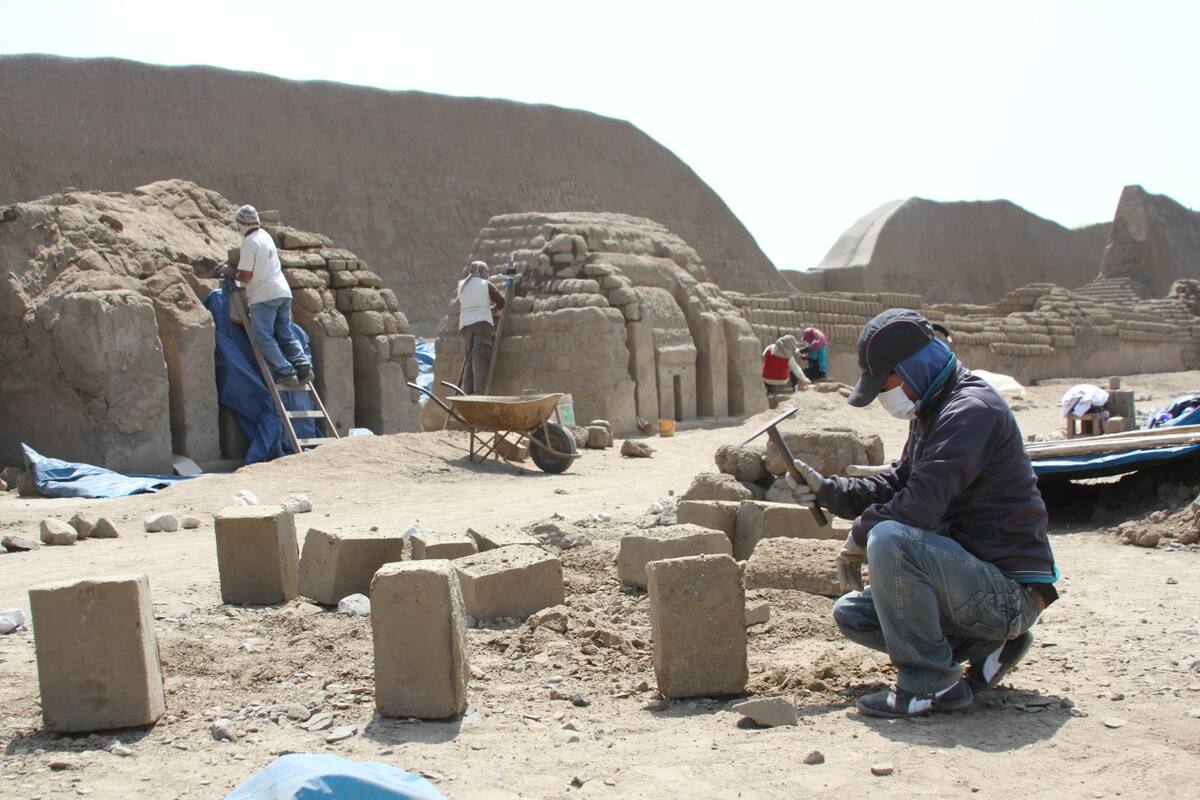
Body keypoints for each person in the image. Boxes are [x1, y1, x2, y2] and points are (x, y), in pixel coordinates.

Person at [786, 309, 1058, 718]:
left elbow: (920, 505)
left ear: (912, 368)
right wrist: (829, 491)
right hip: (972, 584)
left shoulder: (971, 410)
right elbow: (898, 482)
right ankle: (988, 646)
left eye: (886, 383)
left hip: (1008, 593)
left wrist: (859, 535)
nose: (884, 396)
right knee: (855, 615)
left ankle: (930, 685)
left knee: (891, 539)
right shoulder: (933, 408)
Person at [226, 205, 312, 387]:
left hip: (264, 296)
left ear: (241, 224)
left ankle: (285, 370)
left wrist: (232, 273)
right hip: (283, 291)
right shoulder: (266, 236)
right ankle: (303, 365)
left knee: (261, 335)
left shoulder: (249, 242)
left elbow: (246, 275)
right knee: (285, 332)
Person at [453, 260, 506, 394]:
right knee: (480, 358)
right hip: (482, 323)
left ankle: (467, 391)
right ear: (482, 272)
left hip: (465, 326)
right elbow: (501, 302)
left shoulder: (461, 285)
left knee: (469, 359)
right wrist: (493, 308)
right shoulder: (485, 284)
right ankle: (479, 392)